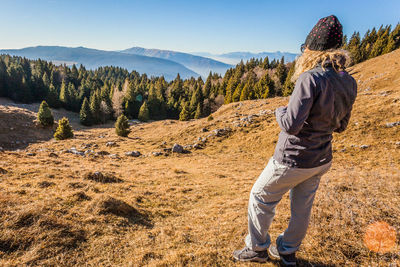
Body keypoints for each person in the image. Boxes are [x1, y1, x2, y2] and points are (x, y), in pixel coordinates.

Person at [233, 15, 357, 266]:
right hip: (321, 158)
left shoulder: (310, 78)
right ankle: (288, 252)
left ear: (312, 48)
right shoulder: (348, 81)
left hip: (293, 158)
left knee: (260, 196)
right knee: (302, 207)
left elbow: (291, 124)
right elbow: (342, 126)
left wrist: (280, 111)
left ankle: (257, 249)